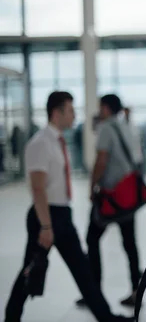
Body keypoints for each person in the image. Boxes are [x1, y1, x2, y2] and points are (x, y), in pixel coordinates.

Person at [4, 91, 133, 322]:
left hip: (62, 214)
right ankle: (11, 316)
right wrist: (45, 226)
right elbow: (37, 188)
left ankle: (106, 317)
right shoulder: (40, 143)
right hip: (46, 216)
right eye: (71, 110)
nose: (75, 115)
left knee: (83, 272)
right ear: (57, 113)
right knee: (30, 270)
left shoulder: (57, 141)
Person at [75, 95, 142, 309]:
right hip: (128, 193)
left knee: (92, 240)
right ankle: (135, 292)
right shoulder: (127, 126)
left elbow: (101, 160)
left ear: (105, 108)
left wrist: (92, 186)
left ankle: (94, 293)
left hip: (109, 196)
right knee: (130, 243)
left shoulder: (105, 128)